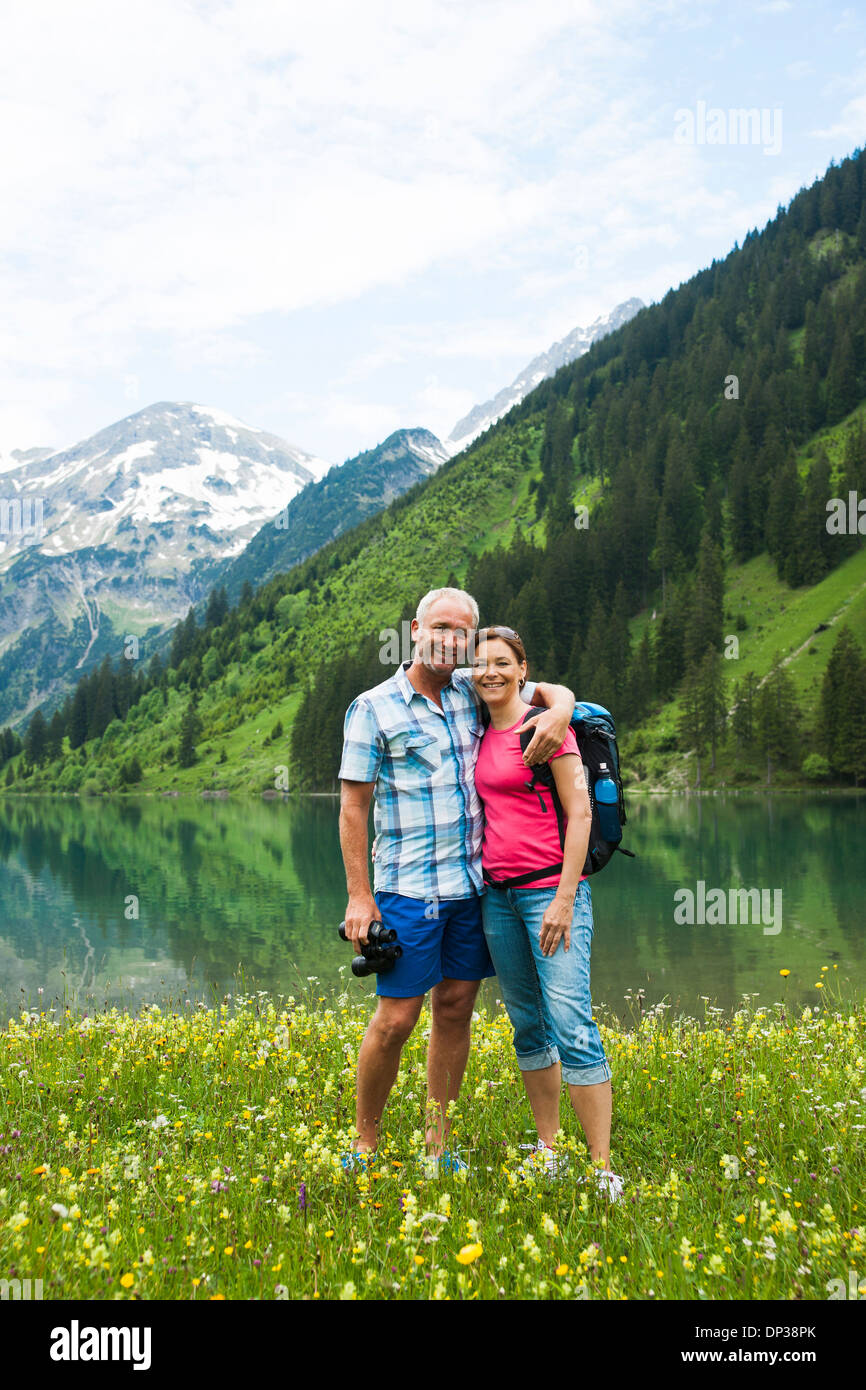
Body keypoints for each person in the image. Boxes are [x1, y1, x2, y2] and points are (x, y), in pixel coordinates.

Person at [338, 587, 576, 1169]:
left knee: (454, 1011)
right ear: (415, 629)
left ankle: (437, 1147)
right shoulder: (373, 707)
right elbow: (352, 808)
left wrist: (562, 708)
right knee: (396, 1017)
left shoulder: (476, 692)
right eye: (440, 626)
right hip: (406, 891)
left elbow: (543, 689)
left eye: (463, 632)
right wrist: (359, 898)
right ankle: (365, 1144)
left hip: (472, 890)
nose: (451, 639)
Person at [471, 625, 623, 1200]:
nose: (490, 672)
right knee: (529, 1026)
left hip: (550, 893)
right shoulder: (478, 723)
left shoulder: (547, 727)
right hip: (498, 898)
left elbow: (579, 816)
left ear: (522, 668)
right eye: (481, 663)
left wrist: (564, 898)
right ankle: (549, 1149)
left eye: (502, 663)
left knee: (571, 1023)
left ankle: (604, 1168)